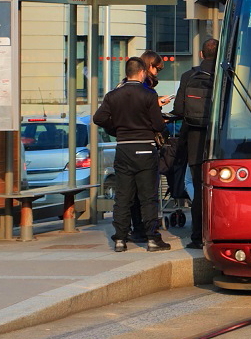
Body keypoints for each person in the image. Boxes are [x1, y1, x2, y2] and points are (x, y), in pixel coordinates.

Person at [93, 56, 171, 252]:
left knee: (123, 196)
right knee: (148, 197)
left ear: (127, 73)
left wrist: (116, 129)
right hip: (145, 148)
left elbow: (99, 118)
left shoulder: (113, 95)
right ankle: (152, 238)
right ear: (142, 72)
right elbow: (158, 125)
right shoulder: (147, 94)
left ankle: (120, 239)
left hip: (124, 149)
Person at [172, 38, 217, 249]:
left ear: (201, 55)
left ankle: (198, 237)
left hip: (195, 140)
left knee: (199, 189)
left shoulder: (188, 76)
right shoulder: (225, 75)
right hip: (220, 140)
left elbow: (180, 111)